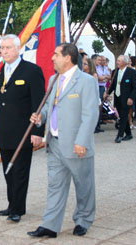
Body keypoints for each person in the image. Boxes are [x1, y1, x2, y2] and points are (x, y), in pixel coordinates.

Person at [0, 34, 45, 223]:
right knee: (8, 171)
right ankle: (12, 204)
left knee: (20, 171)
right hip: (4, 131)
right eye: (1, 49)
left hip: (24, 131)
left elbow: (39, 104)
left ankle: (18, 208)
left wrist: (37, 132)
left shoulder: (31, 70)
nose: (4, 52)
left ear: (18, 49)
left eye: (8, 48)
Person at [28, 43, 99, 238]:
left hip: (77, 144)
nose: (52, 58)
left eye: (56, 54)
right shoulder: (53, 79)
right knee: (55, 185)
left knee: (83, 185)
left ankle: (84, 219)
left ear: (68, 58)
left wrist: (82, 141)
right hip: (55, 143)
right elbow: (48, 105)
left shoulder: (86, 81)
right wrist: (39, 116)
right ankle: (50, 225)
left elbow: (90, 114)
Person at [105, 55, 136, 143]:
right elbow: (112, 85)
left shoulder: (132, 72)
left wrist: (131, 98)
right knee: (122, 116)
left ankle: (119, 135)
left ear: (124, 62)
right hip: (117, 97)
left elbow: (135, 87)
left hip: (127, 98)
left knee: (123, 116)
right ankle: (129, 134)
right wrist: (107, 93)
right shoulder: (114, 72)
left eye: (119, 61)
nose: (117, 62)